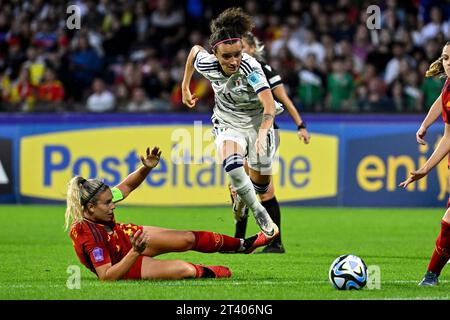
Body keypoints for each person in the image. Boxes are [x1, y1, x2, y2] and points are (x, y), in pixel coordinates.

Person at [66, 146, 267, 281]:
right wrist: (135, 252)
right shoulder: (88, 236)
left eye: (112, 200)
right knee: (185, 270)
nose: (114, 205)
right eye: (108, 203)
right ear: (91, 208)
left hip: (128, 236)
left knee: (187, 239)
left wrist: (146, 168)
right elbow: (106, 276)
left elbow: (127, 186)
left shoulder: (98, 203)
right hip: (123, 263)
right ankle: (206, 271)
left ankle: (243, 245)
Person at [181, 7, 279, 247]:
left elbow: (269, 105)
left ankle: (242, 198)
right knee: (233, 167)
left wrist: (264, 132)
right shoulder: (208, 64)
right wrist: (185, 86)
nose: (234, 61)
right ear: (215, 54)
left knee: (261, 184)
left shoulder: (251, 69)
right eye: (227, 56)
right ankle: (259, 213)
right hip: (228, 122)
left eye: (237, 54)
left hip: (258, 123)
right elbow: (194, 52)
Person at [229, 31, 311, 253]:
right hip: (240, 131)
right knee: (240, 186)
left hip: (265, 133)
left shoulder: (263, 70)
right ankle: (239, 241)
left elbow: (283, 100)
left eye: (242, 48)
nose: (237, 54)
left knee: (260, 190)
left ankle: (274, 241)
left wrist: (300, 125)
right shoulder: (230, 70)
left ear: (253, 49)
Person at [399, 42, 450, 286]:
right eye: (445, 58)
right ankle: (432, 275)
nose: (448, 62)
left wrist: (425, 169)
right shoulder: (449, 87)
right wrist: (425, 125)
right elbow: (442, 103)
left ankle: (431, 275)